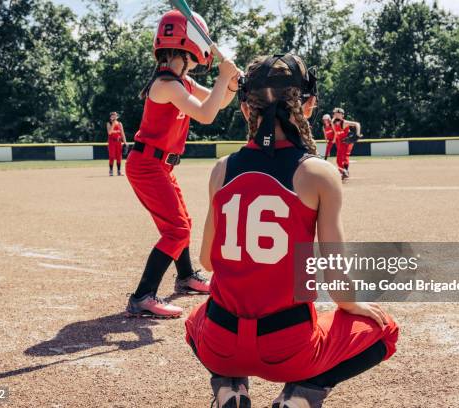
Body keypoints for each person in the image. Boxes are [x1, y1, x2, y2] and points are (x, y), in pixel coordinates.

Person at [185, 54, 398, 408]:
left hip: (221, 343)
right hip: (288, 348)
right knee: (385, 330)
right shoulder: (318, 173)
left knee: (195, 322)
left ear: (244, 108)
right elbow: (336, 280)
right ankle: (300, 395)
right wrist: (352, 305)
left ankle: (229, 386)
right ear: (309, 105)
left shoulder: (222, 170)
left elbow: (207, 260)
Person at [124, 10, 240, 318]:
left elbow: (217, 102)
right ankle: (142, 296)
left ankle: (186, 276)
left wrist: (229, 85)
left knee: (181, 223)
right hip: (147, 164)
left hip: (159, 165)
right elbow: (205, 114)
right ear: (191, 46)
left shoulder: (182, 82)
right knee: (176, 229)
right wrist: (223, 77)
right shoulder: (165, 85)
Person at [332, 108, 361, 180]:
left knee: (345, 157)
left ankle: (346, 172)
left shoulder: (344, 123)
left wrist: (357, 134)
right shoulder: (333, 122)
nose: (337, 115)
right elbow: (335, 132)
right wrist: (334, 140)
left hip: (347, 141)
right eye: (335, 114)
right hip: (339, 141)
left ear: (342, 116)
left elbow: (357, 124)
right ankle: (342, 172)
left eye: (339, 114)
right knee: (338, 159)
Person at [107, 112, 127, 176]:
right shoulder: (109, 123)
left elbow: (122, 133)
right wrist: (113, 123)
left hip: (118, 142)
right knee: (112, 156)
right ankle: (111, 171)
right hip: (111, 142)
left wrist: (125, 142)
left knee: (119, 157)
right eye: (113, 116)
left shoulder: (119, 124)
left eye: (115, 116)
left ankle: (119, 171)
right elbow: (109, 132)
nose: (114, 117)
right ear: (110, 117)